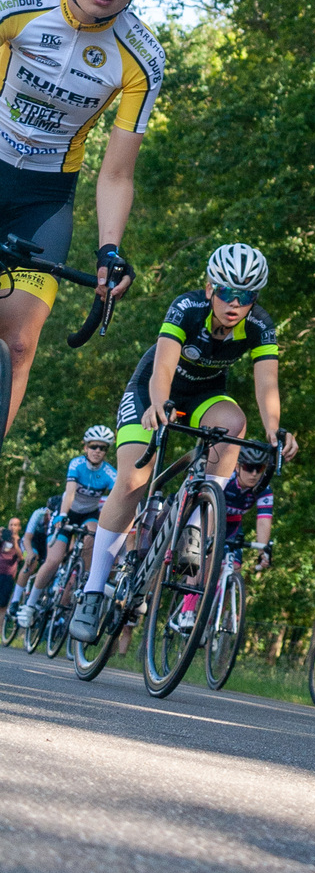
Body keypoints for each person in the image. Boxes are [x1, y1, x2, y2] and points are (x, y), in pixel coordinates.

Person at [69, 242, 298, 644]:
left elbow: (267, 387)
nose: (234, 304)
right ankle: (92, 592)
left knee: (234, 424)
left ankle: (194, 525)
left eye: (245, 297)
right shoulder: (186, 307)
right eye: (227, 292)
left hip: (205, 396)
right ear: (210, 287)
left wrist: (274, 431)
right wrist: (158, 406)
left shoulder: (261, 325)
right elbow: (163, 366)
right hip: (152, 390)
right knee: (133, 480)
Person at [0, 0, 168, 434]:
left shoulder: (141, 57)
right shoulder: (16, 5)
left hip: (45, 197)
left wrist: (110, 251)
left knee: (20, 341)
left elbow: (116, 173)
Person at [15, 426, 115, 627]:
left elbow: (113, 503)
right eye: (94, 446)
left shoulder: (110, 473)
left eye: (103, 448)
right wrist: (61, 515)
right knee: (53, 560)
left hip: (89, 514)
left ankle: (85, 580)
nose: (98, 451)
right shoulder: (76, 464)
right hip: (68, 512)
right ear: (86, 447)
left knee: (93, 536)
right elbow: (69, 493)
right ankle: (30, 604)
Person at [0, 516, 21, 614]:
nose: (12, 527)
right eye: (11, 525)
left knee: (2, 604)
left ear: (19, 527)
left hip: (9, 575)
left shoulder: (22, 541)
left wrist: (15, 543)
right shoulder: (3, 539)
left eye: (15, 525)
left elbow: (22, 557)